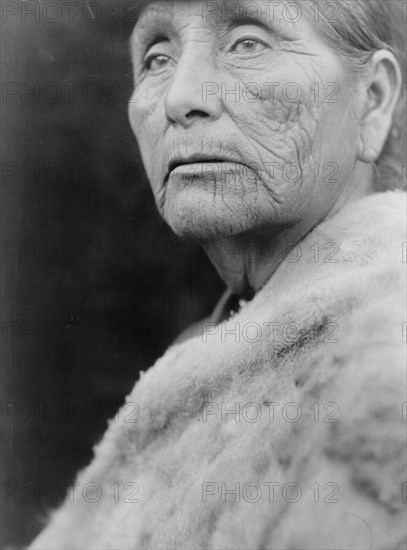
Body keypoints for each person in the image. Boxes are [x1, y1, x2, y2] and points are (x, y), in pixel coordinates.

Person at [30, 0, 406, 548]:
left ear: (372, 100)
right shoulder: (207, 352)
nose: (181, 98)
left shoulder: (388, 357)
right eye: (157, 58)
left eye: (247, 44)